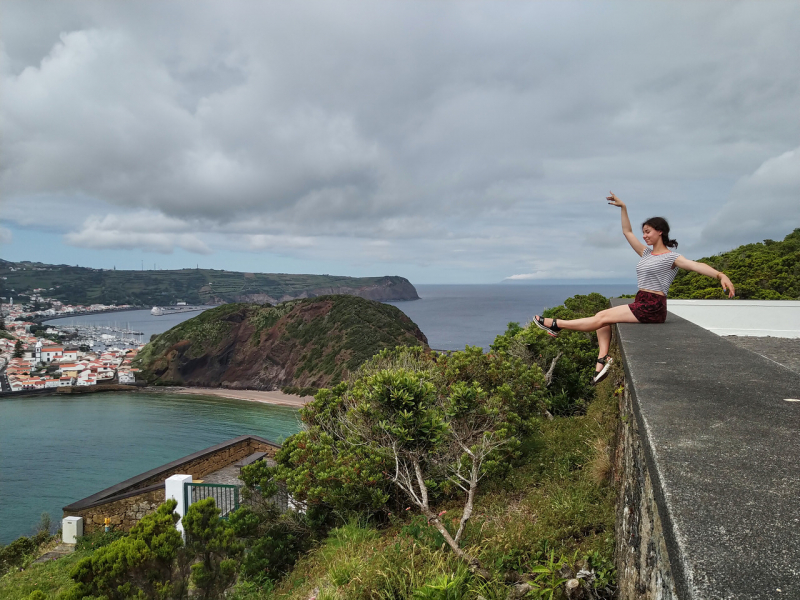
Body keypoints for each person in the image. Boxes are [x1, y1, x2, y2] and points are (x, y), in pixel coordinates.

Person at [533, 192, 735, 385]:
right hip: (642, 301)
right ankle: (602, 358)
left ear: (660, 231)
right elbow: (627, 232)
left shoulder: (672, 257)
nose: (645, 236)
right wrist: (623, 208)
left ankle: (557, 325)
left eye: (648, 232)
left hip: (653, 306)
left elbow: (696, 266)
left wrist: (720, 275)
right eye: (644, 233)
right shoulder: (646, 254)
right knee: (602, 315)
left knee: (601, 319)